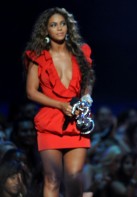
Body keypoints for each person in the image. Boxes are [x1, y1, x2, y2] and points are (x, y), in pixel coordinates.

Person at [23, 7, 95, 197]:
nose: (59, 28)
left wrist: (87, 98)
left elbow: (87, 81)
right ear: (46, 30)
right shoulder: (39, 56)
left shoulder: (80, 53)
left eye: (63, 24)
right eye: (53, 25)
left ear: (68, 27)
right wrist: (60, 105)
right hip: (50, 121)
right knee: (52, 178)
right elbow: (31, 92)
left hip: (77, 121)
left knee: (74, 177)